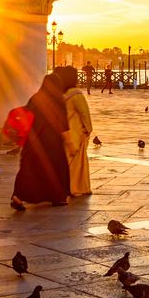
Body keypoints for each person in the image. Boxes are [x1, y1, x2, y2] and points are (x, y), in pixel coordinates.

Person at [11, 69, 71, 209]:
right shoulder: (58, 100)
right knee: (55, 170)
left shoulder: (36, 97)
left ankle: (18, 196)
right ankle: (57, 197)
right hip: (52, 143)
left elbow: (27, 114)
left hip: (33, 142)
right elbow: (63, 124)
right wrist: (68, 141)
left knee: (28, 170)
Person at [61, 65, 94, 198]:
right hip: (77, 131)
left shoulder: (63, 94)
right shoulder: (77, 94)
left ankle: (70, 186)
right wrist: (88, 129)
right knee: (78, 163)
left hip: (66, 131)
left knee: (69, 162)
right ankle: (78, 187)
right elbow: (84, 114)